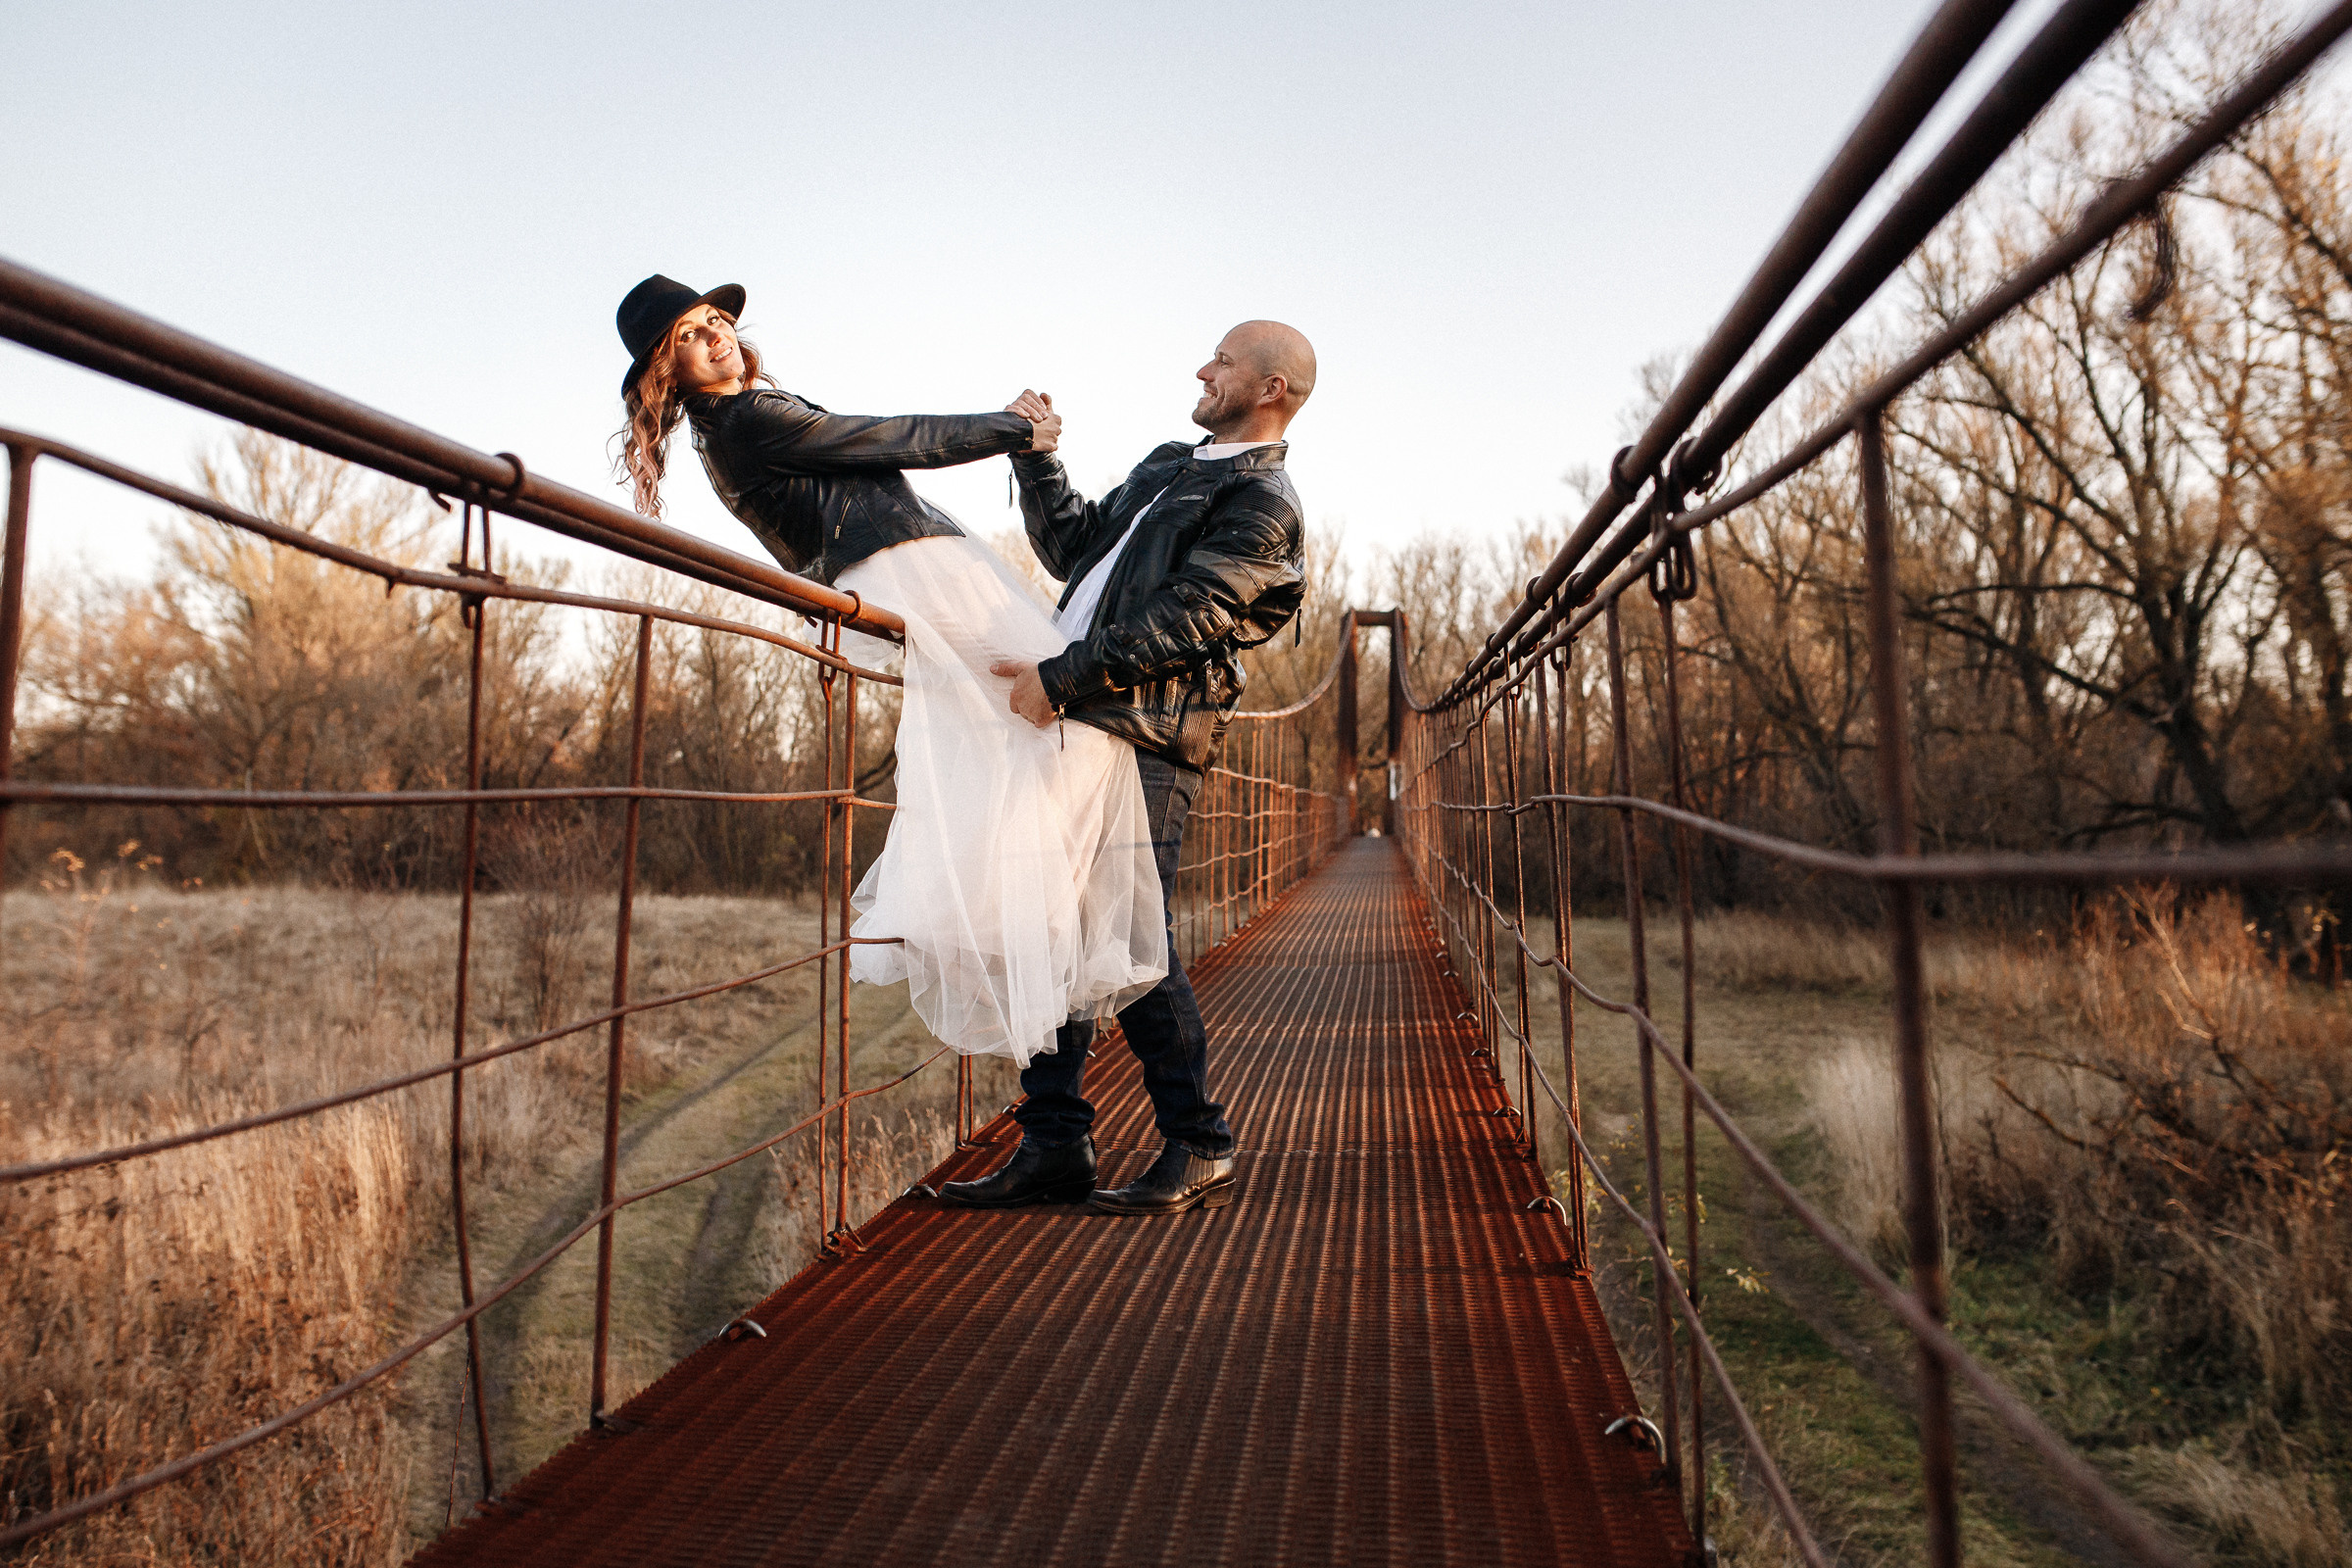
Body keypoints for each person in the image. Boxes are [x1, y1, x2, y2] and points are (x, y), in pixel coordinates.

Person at [612, 273, 1166, 1075]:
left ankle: (1006, 910)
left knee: (1029, 726)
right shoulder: (745, 418)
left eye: (715, 320)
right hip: (910, 567)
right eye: (690, 336)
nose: (716, 335)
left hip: (901, 567)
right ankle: (986, 909)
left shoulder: (731, 424)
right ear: (668, 369)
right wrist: (1012, 429)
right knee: (1068, 709)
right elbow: (884, 437)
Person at [941, 319, 1315, 1217]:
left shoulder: (1266, 507)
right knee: (1047, 925)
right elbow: (1076, 552)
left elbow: (1192, 617)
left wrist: (1059, 678)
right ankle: (1055, 1143)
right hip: (1071, 719)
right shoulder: (1167, 466)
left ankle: (1199, 1144)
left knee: (1135, 943)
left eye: (1222, 360)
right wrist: (1037, 461)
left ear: (1271, 388)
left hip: (1144, 739)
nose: (1202, 367)